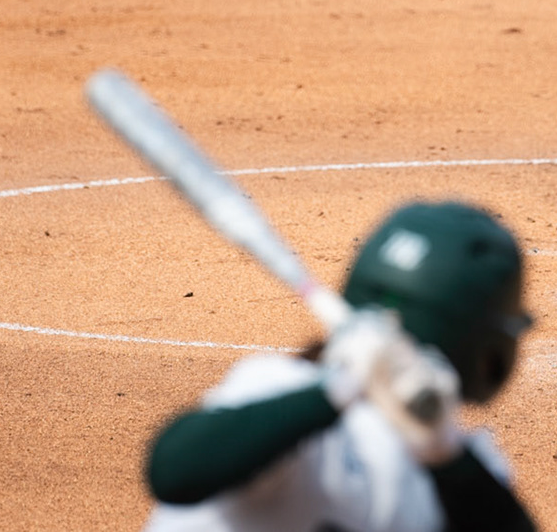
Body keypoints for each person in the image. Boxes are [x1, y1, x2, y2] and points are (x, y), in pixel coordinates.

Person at [141, 201, 537, 532]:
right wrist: (340, 387)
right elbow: (174, 471)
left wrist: (445, 454)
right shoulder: (278, 388)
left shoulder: (453, 458)